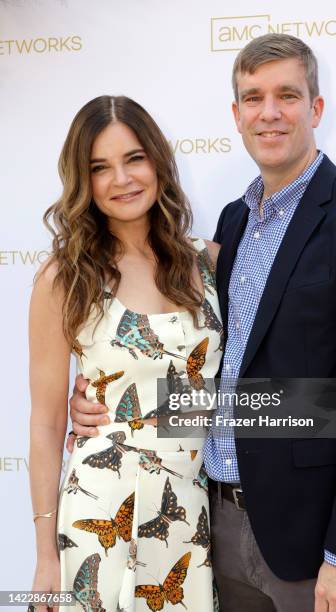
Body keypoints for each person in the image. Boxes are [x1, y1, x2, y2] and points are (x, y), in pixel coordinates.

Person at [68, 34, 336, 612]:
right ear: (236, 114)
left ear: (316, 108)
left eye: (287, 96)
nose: (269, 112)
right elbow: (226, 375)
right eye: (253, 98)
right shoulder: (233, 221)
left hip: (313, 539)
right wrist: (112, 396)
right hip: (212, 524)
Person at [29, 95, 222, 611]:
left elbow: (236, 386)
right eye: (100, 167)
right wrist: (46, 556)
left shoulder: (210, 261)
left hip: (191, 514)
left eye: (134, 158)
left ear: (157, 161)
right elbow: (46, 424)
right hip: (100, 514)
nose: (121, 179)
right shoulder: (63, 279)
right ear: (82, 180)